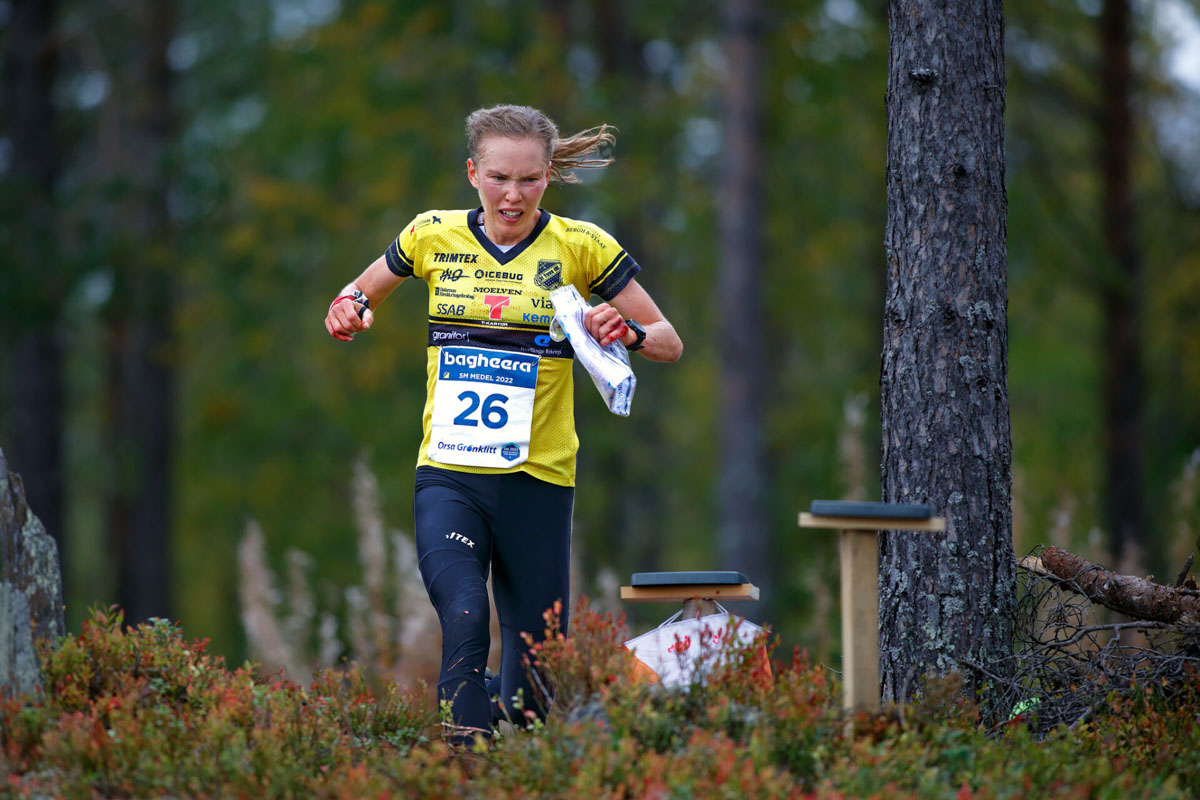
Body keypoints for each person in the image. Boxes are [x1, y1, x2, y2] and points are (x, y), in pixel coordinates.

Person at [324, 104, 682, 746]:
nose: (513, 196)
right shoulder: (431, 235)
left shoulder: (582, 246)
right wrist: (349, 309)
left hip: (538, 483)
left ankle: (496, 712)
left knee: (532, 699)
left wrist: (625, 330)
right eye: (498, 178)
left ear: (548, 177)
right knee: (465, 615)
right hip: (450, 475)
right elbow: (358, 292)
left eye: (529, 180)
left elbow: (668, 342)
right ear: (472, 173)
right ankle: (461, 766)